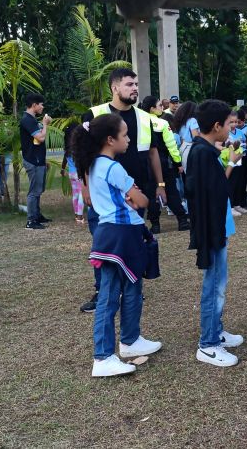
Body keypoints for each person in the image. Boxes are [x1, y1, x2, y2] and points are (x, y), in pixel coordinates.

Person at [72, 114, 161, 377]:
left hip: (114, 233)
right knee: (110, 295)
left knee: (132, 286)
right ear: (110, 140)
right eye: (125, 135)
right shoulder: (113, 168)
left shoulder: (93, 166)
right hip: (119, 235)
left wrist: (130, 199)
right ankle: (102, 357)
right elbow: (141, 200)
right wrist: (139, 197)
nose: (129, 139)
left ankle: (131, 340)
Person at [78, 68, 167, 314]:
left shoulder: (145, 117)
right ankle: (103, 292)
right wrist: (86, 186)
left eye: (136, 84)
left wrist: (160, 185)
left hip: (135, 196)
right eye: (129, 84)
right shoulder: (96, 114)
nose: (135, 88)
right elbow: (84, 153)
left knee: (134, 242)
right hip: (105, 197)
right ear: (115, 87)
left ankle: (132, 288)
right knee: (103, 242)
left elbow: (152, 152)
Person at [185, 100, 244, 367]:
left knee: (219, 282)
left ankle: (216, 332)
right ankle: (207, 344)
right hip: (212, 231)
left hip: (217, 228)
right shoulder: (202, 154)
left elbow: (215, 190)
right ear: (216, 126)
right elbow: (202, 198)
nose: (231, 129)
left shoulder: (207, 151)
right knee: (214, 286)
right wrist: (209, 237)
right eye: (229, 124)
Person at [140, 96, 189, 234]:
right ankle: (182, 221)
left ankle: (155, 225)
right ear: (152, 109)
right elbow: (171, 145)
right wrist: (178, 162)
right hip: (163, 163)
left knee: (150, 194)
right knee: (172, 192)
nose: (162, 107)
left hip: (145, 164)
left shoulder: (139, 122)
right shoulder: (162, 123)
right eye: (159, 105)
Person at [19, 93, 52, 230]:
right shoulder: (27, 120)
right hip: (32, 159)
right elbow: (40, 138)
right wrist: (45, 124)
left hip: (38, 159)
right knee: (34, 191)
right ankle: (31, 221)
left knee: (39, 189)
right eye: (41, 104)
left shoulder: (32, 120)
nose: (42, 107)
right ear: (34, 105)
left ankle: (37, 215)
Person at [61, 122, 85, 224]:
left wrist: (62, 169)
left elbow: (64, 160)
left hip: (71, 174)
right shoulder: (78, 147)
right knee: (81, 194)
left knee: (75, 194)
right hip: (79, 173)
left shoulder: (67, 148)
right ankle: (80, 217)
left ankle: (76, 214)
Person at [172, 101, 200, 171]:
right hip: (191, 148)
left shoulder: (181, 122)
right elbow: (196, 137)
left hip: (182, 147)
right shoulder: (193, 120)